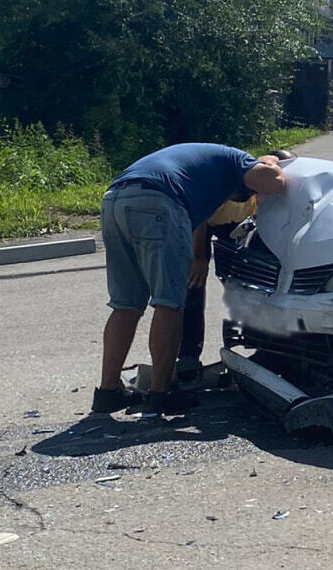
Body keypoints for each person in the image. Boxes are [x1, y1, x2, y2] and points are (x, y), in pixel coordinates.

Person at [93, 143, 287, 416]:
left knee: (126, 304)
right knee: (169, 302)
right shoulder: (238, 160)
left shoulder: (205, 164)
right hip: (157, 203)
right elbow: (274, 182)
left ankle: (108, 391)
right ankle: (161, 394)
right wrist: (270, 163)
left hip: (115, 198)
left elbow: (198, 222)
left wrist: (200, 256)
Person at [176, 149, 296, 380]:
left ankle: (264, 348)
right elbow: (198, 220)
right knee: (194, 283)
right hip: (204, 221)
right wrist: (200, 258)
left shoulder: (283, 182)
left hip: (242, 224)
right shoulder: (247, 173)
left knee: (250, 283)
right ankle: (188, 355)